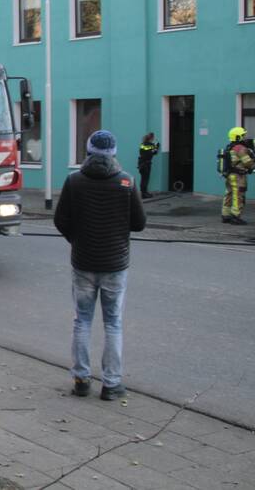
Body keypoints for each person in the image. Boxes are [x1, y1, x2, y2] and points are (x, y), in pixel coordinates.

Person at [54, 130, 145, 401]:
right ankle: (112, 384)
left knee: (81, 321)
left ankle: (81, 380)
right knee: (113, 323)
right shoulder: (126, 181)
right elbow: (139, 223)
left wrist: (78, 241)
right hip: (115, 264)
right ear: (114, 152)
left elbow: (61, 220)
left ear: (88, 151)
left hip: (83, 262)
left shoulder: (74, 181)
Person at [219, 127, 255, 225]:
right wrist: (254, 162)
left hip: (230, 175)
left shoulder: (230, 147)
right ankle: (235, 216)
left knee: (229, 195)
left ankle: (225, 215)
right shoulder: (240, 148)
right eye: (243, 135)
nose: (244, 137)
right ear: (238, 137)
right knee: (238, 196)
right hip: (238, 176)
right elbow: (248, 163)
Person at [137, 133, 159, 200]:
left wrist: (154, 147)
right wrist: (157, 146)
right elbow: (154, 152)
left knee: (143, 179)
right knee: (145, 179)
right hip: (146, 164)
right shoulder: (151, 145)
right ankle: (144, 194)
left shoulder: (142, 144)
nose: (153, 139)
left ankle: (144, 193)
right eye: (153, 138)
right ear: (151, 138)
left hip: (141, 163)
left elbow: (146, 151)